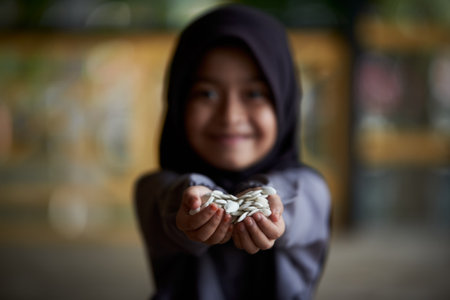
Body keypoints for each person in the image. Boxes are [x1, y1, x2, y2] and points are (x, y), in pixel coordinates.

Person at [134, 4, 331, 300]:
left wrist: (264, 202)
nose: (230, 116)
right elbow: (168, 205)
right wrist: (193, 205)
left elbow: (295, 203)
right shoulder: (154, 191)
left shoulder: (311, 189)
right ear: (177, 101)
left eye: (254, 94)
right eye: (207, 93)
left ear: (284, 101)